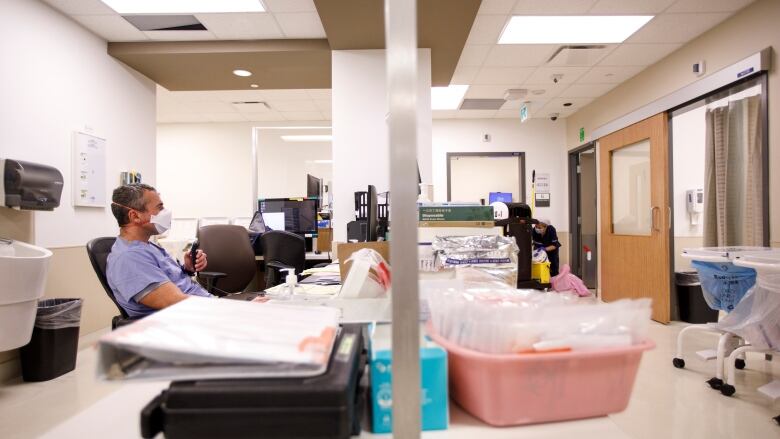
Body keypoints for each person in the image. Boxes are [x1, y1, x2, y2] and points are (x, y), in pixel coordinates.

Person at [106, 183, 214, 318]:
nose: (165, 212)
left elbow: (168, 281)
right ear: (135, 216)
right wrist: (227, 308)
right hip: (186, 321)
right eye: (160, 207)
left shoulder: (147, 246)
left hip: (202, 311)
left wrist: (188, 268)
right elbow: (178, 303)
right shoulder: (129, 258)